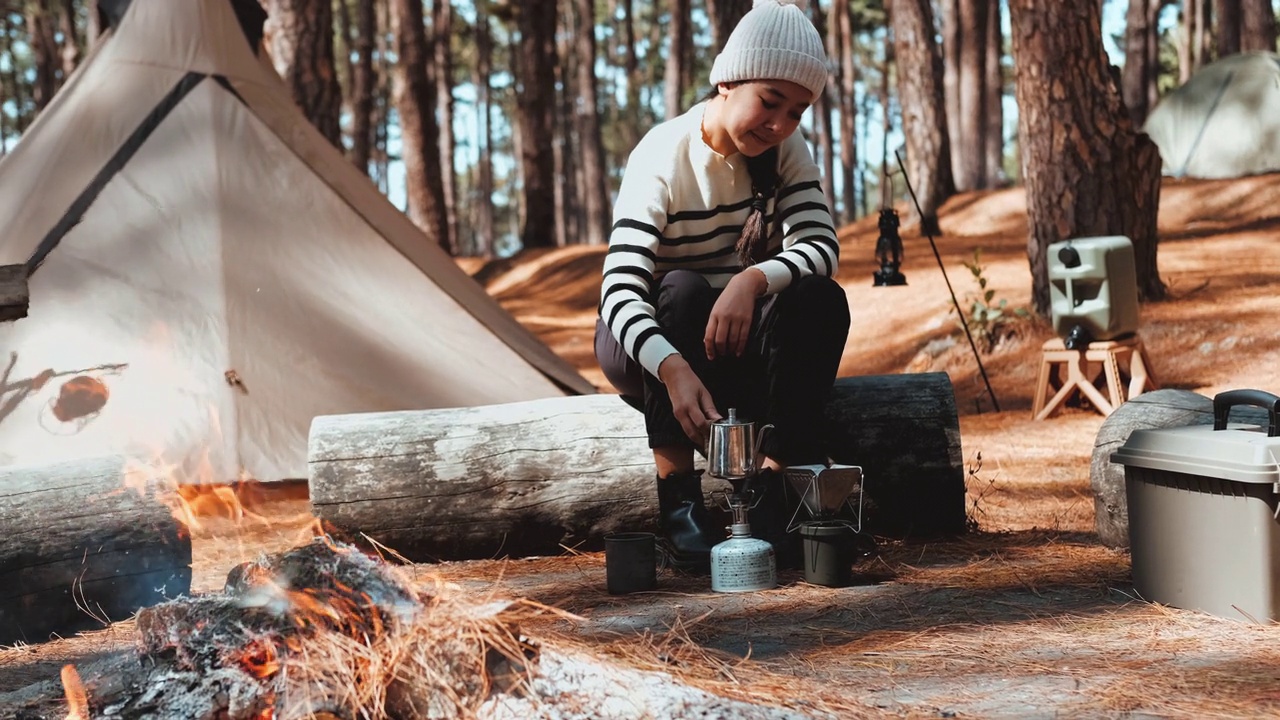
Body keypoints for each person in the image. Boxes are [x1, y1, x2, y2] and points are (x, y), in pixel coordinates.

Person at [595, 0, 850, 571]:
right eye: (769, 101)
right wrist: (671, 366)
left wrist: (753, 281)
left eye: (797, 111)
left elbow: (821, 248)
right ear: (727, 81)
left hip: (725, 337)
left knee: (818, 298)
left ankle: (771, 490)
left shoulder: (784, 151)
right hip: (650, 338)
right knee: (682, 287)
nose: (780, 124)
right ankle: (680, 502)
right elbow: (618, 291)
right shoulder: (662, 154)